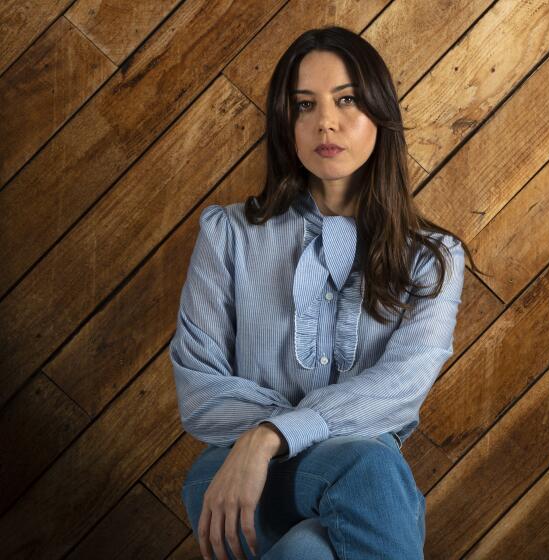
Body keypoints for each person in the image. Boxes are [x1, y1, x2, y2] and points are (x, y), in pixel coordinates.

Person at [170, 26, 483, 560]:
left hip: (347, 476)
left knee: (308, 551)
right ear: (285, 123)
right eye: (303, 105)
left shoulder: (431, 258)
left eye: (346, 101)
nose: (326, 123)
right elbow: (200, 388)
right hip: (236, 481)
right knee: (370, 467)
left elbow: (400, 387)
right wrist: (256, 448)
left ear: (379, 115)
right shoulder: (228, 234)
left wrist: (269, 433)